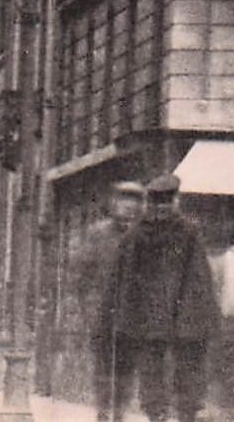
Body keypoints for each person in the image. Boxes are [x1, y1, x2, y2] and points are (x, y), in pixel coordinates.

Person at [106, 173, 218, 422]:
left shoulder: (135, 235)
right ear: (175, 200)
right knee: (183, 373)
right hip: (183, 318)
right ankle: (181, 414)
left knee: (153, 373)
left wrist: (126, 320)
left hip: (149, 320)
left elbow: (123, 281)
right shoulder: (189, 232)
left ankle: (158, 415)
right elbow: (199, 277)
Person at [72, 179, 145, 421]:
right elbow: (83, 276)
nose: (128, 207)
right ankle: (103, 414)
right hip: (102, 314)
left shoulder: (145, 237)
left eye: (134, 201)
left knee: (126, 369)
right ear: (113, 203)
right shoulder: (98, 234)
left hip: (134, 316)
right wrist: (88, 311)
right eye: (123, 200)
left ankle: (119, 414)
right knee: (103, 369)